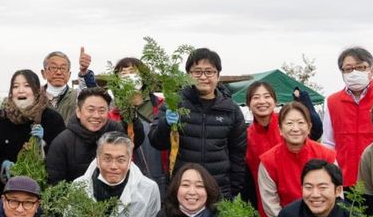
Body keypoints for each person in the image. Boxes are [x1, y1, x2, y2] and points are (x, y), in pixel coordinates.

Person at [150, 47, 247, 198]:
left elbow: (238, 154)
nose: (203, 77)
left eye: (209, 71)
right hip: (182, 189)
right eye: (197, 72)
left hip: (218, 188)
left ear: (218, 75)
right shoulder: (174, 103)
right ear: (188, 75)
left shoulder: (230, 109)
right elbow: (156, 142)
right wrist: (165, 124)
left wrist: (232, 189)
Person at [321, 47, 373, 187]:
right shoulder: (332, 102)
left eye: (361, 67)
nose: (354, 72)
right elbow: (328, 143)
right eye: (348, 69)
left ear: (372, 70)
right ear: (342, 72)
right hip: (345, 180)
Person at [256, 101, 338, 217]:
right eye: (289, 123)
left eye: (300, 123)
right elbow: (270, 203)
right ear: (280, 130)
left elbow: (337, 194)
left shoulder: (326, 155)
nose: (295, 128)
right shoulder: (268, 161)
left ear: (309, 127)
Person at [0, 69, 66, 176]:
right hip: (9, 187)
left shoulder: (52, 119)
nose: (21, 90)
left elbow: (61, 156)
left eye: (27, 85)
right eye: (15, 86)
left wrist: (43, 144)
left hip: (42, 187)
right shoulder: (0, 118)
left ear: (37, 90)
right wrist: (2, 164)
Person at [45, 87, 128, 185]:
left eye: (102, 110)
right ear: (78, 112)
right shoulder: (62, 142)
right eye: (91, 110)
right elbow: (55, 183)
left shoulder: (117, 134)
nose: (96, 116)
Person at [105, 57, 165, 191]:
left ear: (143, 77)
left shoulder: (162, 106)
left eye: (132, 72)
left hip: (160, 174)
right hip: (125, 179)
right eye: (123, 74)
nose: (128, 77)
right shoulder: (112, 114)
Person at [41, 48, 98, 123]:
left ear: (69, 74)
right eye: (53, 68)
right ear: (43, 73)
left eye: (63, 68)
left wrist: (84, 72)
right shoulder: (34, 97)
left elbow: (94, 95)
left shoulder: (77, 96)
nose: (58, 72)